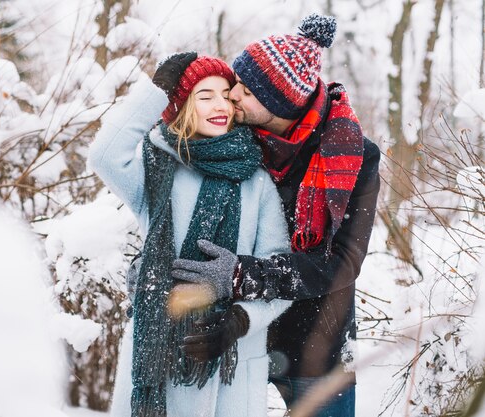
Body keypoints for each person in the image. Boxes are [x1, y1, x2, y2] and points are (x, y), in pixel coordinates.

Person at [170, 14, 381, 417]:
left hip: (316, 346)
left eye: (245, 91)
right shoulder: (237, 142)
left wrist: (241, 274)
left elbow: (343, 262)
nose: (232, 97)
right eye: (236, 84)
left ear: (280, 103)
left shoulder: (352, 155)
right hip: (237, 334)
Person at [87, 54, 292, 417]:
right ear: (182, 105)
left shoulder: (257, 181)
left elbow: (280, 275)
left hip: (229, 372)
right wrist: (155, 92)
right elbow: (105, 155)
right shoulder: (158, 172)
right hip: (156, 359)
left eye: (227, 94)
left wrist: (239, 320)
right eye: (205, 95)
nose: (220, 105)